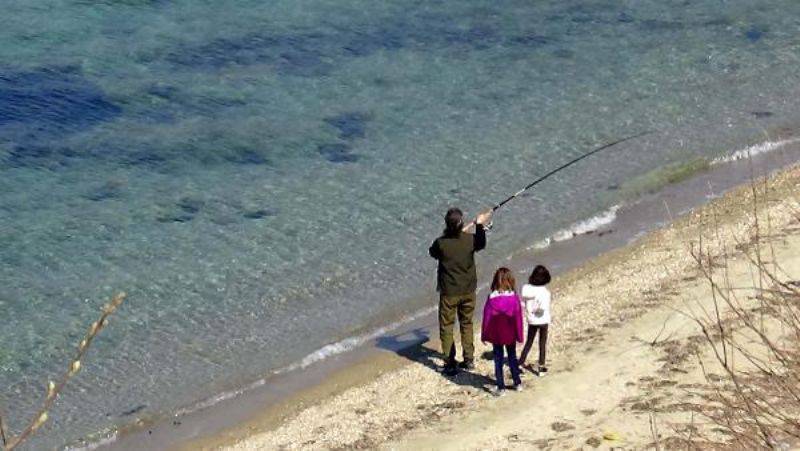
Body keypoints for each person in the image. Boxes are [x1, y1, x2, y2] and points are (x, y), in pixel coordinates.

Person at [429, 207, 492, 376]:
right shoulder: (469, 240)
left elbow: (432, 252)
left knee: (447, 327)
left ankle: (450, 363)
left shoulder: (441, 243)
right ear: (461, 223)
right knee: (466, 323)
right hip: (468, 289)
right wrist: (479, 224)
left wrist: (454, 234)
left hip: (449, 292)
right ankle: (469, 359)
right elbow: (481, 243)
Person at [481, 267, 524, 394]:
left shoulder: (491, 298)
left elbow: (486, 317)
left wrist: (484, 335)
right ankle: (517, 383)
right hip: (510, 333)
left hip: (497, 334)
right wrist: (520, 335)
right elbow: (518, 318)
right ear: (511, 281)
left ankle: (501, 387)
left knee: (498, 359)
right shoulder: (514, 298)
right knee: (512, 357)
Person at [519, 265, 552, 375]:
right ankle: (541, 367)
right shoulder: (545, 292)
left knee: (529, 341)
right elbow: (543, 308)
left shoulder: (527, 289)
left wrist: (530, 311)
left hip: (532, 320)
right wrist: (537, 310)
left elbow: (522, 303)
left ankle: (520, 362)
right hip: (543, 321)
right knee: (542, 344)